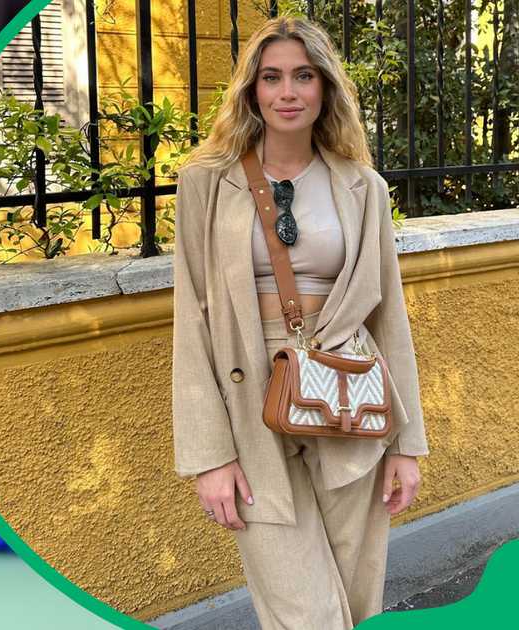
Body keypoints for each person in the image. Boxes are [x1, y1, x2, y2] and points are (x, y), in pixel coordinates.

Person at [171, 17, 428, 630]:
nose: (288, 92)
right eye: (272, 77)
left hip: (348, 392)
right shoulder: (206, 181)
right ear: (253, 91)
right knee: (302, 607)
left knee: (357, 596)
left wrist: (407, 443)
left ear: (325, 89)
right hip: (248, 394)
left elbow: (389, 313)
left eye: (303, 76)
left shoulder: (361, 186)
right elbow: (192, 318)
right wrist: (209, 454)